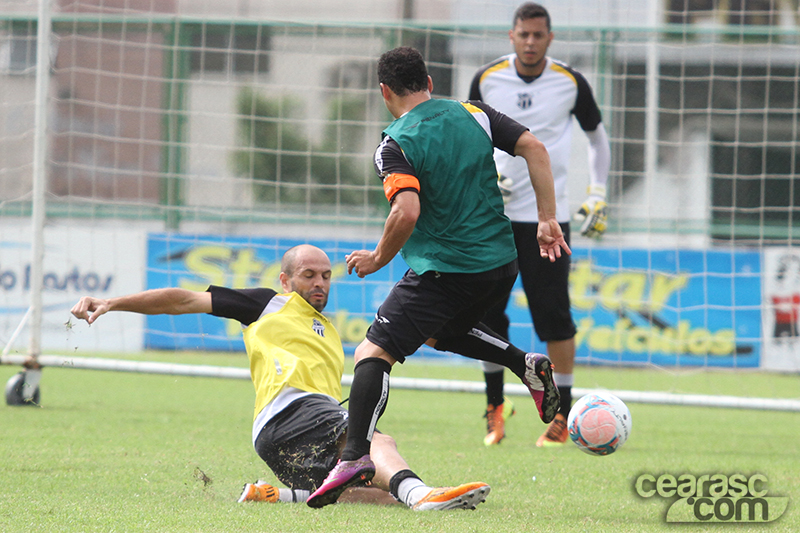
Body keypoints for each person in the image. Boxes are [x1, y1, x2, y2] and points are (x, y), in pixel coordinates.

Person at [306, 46, 570, 509]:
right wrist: (547, 218)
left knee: (372, 351)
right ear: (428, 82)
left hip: (446, 269)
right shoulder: (473, 113)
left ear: (384, 91)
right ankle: (524, 364)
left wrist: (377, 257)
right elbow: (535, 147)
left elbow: (406, 210)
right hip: (499, 264)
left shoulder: (395, 143)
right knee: (442, 332)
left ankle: (353, 457)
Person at [69, 244, 491, 511]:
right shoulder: (268, 304)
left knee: (368, 491)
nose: (320, 283)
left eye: (326, 275)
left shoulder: (328, 332)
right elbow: (181, 300)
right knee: (377, 442)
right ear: (286, 280)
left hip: (274, 437)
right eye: (309, 275)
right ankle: (423, 496)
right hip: (291, 410)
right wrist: (113, 302)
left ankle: (274, 495)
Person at [468, 2, 612, 447]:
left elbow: (598, 139)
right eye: (523, 34)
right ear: (511, 36)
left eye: (538, 35)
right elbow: (468, 136)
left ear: (549, 38)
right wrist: (484, 176)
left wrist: (598, 194)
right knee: (485, 314)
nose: (530, 42)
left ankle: (563, 415)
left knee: (554, 316)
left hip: (549, 222)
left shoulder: (570, 82)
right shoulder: (487, 79)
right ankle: (496, 407)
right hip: (493, 220)